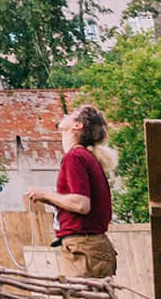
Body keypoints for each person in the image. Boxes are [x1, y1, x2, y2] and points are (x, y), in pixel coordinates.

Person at [27, 103, 116, 281]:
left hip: (83, 250)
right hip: (93, 248)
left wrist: (44, 195)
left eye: (72, 113)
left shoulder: (74, 157)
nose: (66, 114)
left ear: (78, 125)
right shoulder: (88, 157)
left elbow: (81, 205)